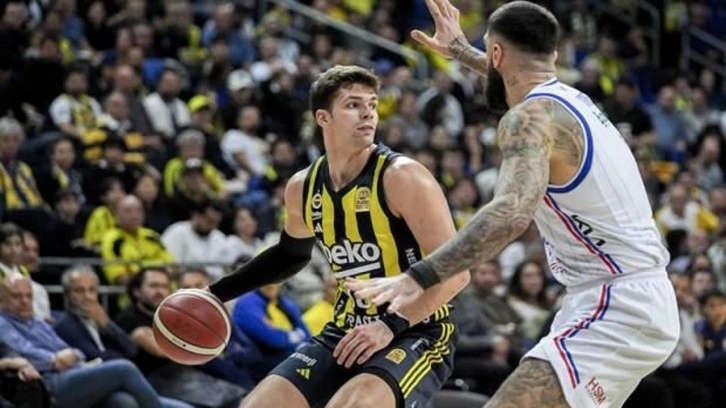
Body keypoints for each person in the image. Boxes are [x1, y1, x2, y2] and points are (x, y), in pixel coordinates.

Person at [346, 1, 680, 407]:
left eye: (489, 52)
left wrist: (418, 277)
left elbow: (510, 214)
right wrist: (462, 52)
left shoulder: (528, 119)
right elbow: (512, 75)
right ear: (552, 54)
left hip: (618, 303)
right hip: (625, 295)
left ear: (497, 53)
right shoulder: (571, 99)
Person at [205, 65, 470, 408]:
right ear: (323, 117)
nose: (367, 113)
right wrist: (215, 293)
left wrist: (389, 326)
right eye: (353, 104)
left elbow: (457, 271)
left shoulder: (402, 176)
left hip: (416, 328)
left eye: (372, 104)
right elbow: (290, 255)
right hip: (346, 329)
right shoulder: (303, 187)